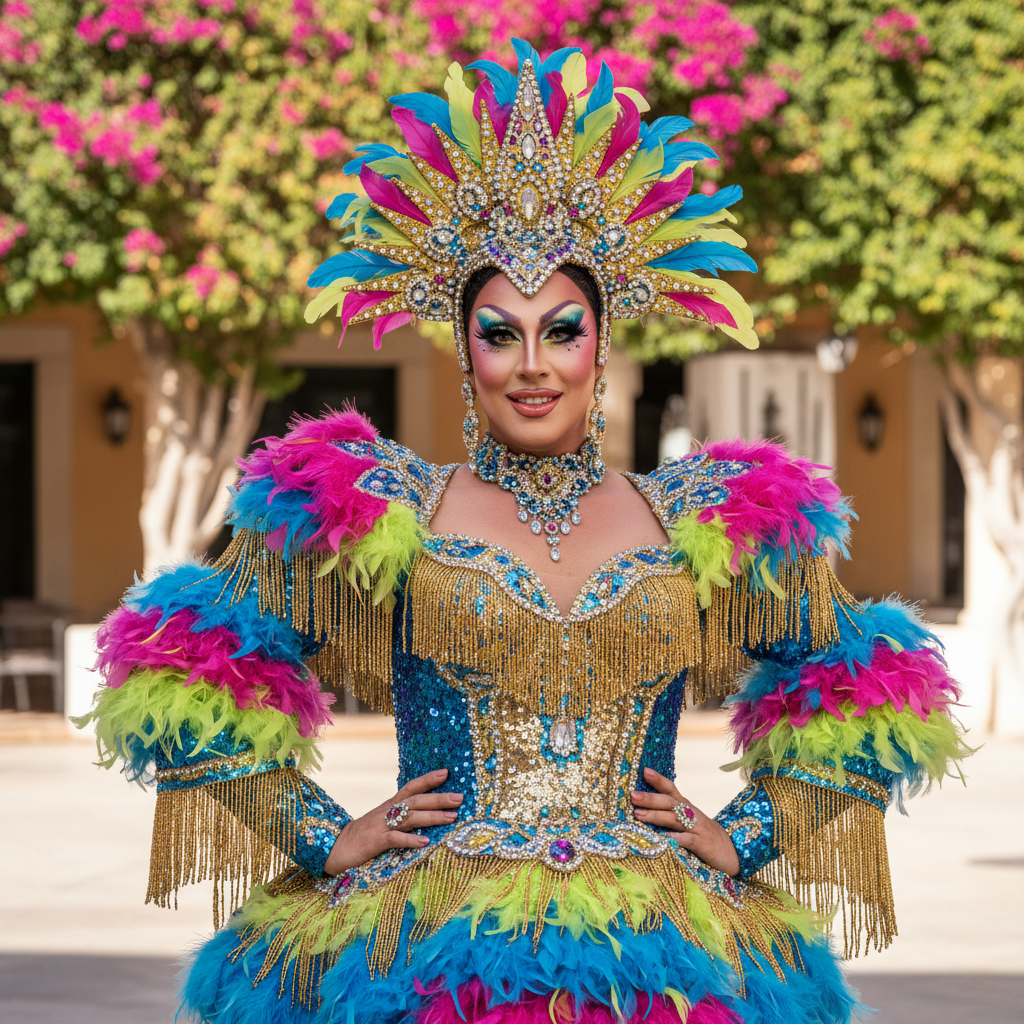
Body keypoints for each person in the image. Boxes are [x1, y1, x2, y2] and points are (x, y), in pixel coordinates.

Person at [81, 40, 971, 1024]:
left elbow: (870, 682)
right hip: (422, 944)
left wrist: (748, 833)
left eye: (562, 329)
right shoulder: (381, 504)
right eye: (499, 332)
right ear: (463, 351)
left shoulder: (702, 515)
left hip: (663, 943)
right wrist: (320, 833)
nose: (531, 364)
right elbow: (180, 663)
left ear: (602, 340)